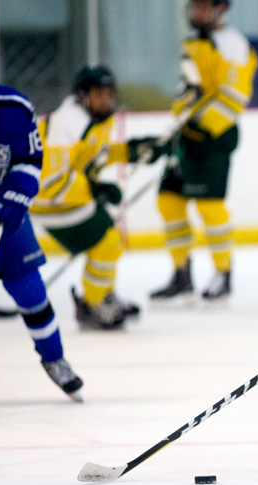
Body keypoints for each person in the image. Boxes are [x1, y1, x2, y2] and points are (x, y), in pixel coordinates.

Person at [29, 65, 168, 330]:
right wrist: (94, 189)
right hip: (47, 202)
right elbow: (48, 180)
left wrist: (136, 150)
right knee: (107, 242)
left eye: (109, 94)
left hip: (64, 197)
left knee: (109, 237)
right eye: (98, 94)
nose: (106, 100)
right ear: (83, 96)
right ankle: (93, 305)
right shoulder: (68, 124)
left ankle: (103, 296)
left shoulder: (93, 119)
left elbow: (96, 154)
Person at [149, 0, 257, 303]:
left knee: (210, 206)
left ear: (221, 9)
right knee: (169, 200)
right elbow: (189, 91)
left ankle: (223, 274)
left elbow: (235, 95)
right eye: (193, 7)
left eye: (203, 7)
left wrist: (203, 128)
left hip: (214, 136)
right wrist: (179, 125)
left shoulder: (232, 44)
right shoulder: (195, 42)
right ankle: (181, 275)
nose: (196, 13)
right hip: (188, 134)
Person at [0, 66, 83, 401]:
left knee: (30, 291)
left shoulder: (12, 108)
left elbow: (29, 158)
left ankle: (54, 358)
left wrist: (15, 195)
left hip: (5, 213)